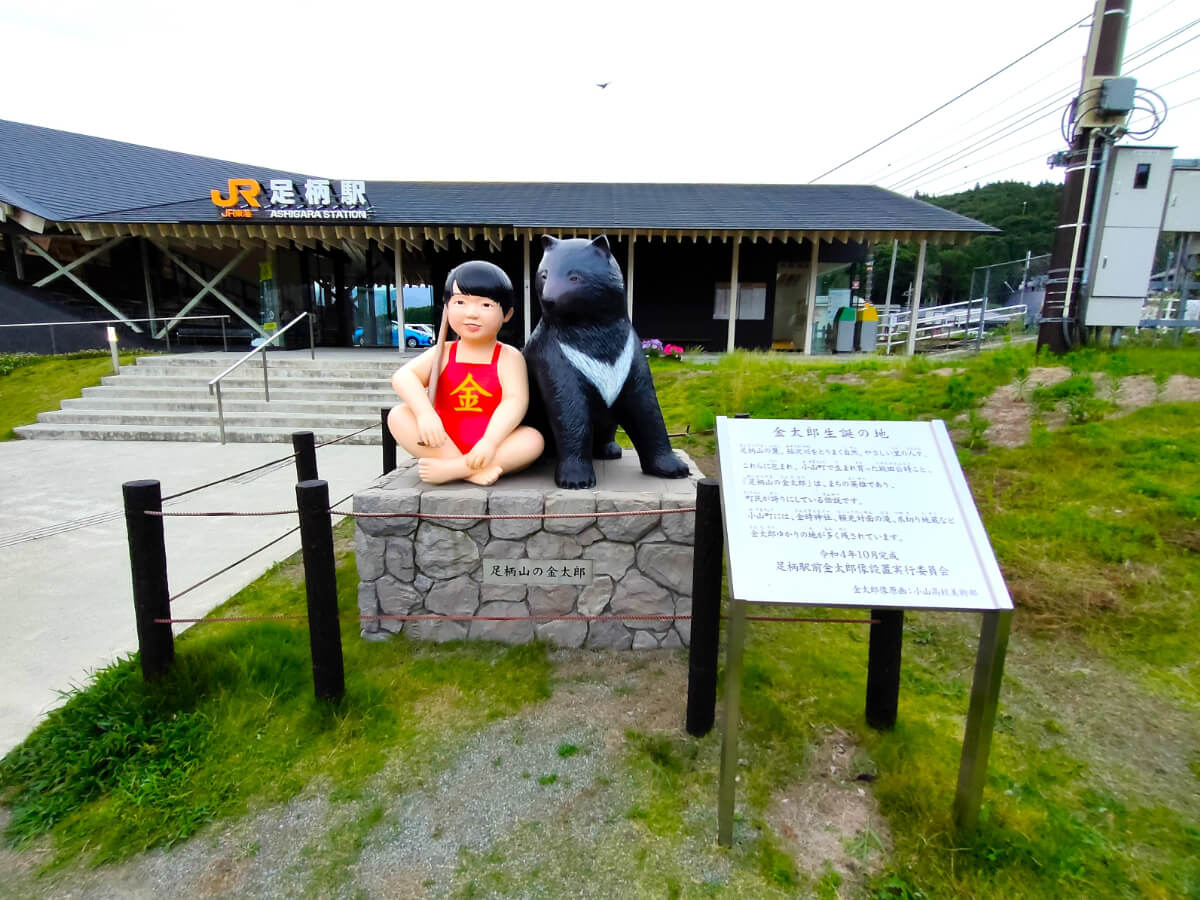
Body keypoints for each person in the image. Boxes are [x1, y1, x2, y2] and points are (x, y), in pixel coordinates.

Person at [387, 261, 544, 485]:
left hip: (492, 442)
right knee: (398, 416)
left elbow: (515, 401)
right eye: (460, 302)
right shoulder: (443, 352)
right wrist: (424, 414)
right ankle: (469, 469)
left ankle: (454, 469)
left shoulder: (509, 357)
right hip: (442, 440)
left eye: (486, 306)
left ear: (507, 314)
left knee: (532, 440)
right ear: (447, 308)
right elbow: (403, 377)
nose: (472, 314)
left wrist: (489, 441)